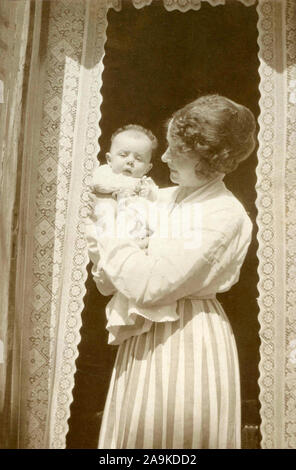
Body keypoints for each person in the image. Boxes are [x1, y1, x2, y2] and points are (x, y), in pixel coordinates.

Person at [90, 94, 256, 449]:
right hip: (142, 339)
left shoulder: (223, 214)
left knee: (174, 441)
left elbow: (148, 286)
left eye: (176, 152)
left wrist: (109, 223)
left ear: (210, 162)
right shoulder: (161, 198)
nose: (163, 158)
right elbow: (108, 280)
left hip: (188, 341)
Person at [86, 124, 160, 345]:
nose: (130, 161)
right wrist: (129, 186)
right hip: (108, 231)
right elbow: (98, 183)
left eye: (139, 158)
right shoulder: (104, 173)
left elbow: (157, 204)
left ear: (148, 167)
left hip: (133, 239)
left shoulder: (147, 184)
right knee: (101, 243)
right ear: (109, 158)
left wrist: (145, 193)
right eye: (123, 155)